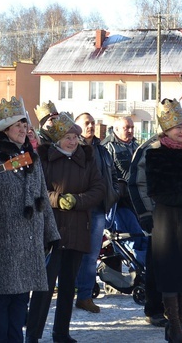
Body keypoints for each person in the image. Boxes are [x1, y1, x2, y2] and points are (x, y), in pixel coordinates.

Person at [0, 96, 59, 343]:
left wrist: (52, 233)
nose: (24, 130)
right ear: (4, 129)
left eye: (25, 125)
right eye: (18, 126)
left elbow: (42, 195)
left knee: (22, 297)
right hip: (3, 239)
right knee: (1, 298)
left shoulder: (31, 155)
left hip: (30, 239)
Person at [131, 99, 182, 343]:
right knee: (171, 275)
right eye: (176, 126)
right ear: (165, 129)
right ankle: (174, 325)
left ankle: (178, 320)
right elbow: (152, 189)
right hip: (168, 220)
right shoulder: (155, 153)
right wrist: (146, 215)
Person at [27, 112, 105, 343]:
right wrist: (57, 199)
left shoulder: (87, 158)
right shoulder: (44, 159)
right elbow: (35, 189)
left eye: (74, 136)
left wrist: (78, 201)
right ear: (57, 139)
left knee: (69, 285)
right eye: (67, 137)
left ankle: (61, 332)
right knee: (44, 286)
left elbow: (98, 188)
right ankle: (33, 334)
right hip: (51, 229)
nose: (72, 141)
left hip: (79, 228)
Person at [112, 116, 161, 325]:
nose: (130, 130)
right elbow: (130, 180)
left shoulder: (136, 146)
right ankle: (155, 306)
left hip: (137, 207)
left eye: (132, 127)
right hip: (123, 205)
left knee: (141, 242)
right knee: (137, 245)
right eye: (125, 127)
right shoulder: (109, 148)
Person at [73, 112, 118, 315]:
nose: (90, 126)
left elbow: (113, 174)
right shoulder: (72, 148)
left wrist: (115, 192)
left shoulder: (102, 151)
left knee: (92, 255)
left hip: (98, 209)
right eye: (86, 123)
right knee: (71, 253)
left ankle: (84, 296)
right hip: (77, 208)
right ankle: (64, 290)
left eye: (92, 122)